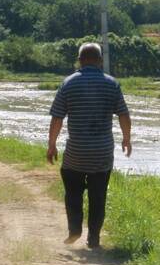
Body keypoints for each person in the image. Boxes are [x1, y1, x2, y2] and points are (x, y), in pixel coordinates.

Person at [46, 43, 133, 249]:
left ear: (79, 60)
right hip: (102, 152)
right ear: (100, 61)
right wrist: (127, 138)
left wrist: (51, 145)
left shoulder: (68, 84)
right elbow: (123, 114)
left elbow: (57, 118)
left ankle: (74, 230)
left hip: (76, 151)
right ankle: (94, 238)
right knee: (98, 196)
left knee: (73, 194)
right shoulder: (112, 84)